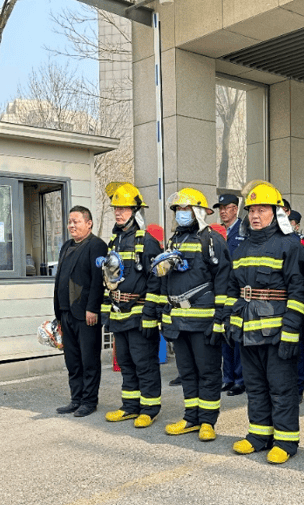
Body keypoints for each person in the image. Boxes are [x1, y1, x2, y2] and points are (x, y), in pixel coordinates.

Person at [226, 183, 304, 464]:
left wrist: (291, 333)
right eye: (251, 211)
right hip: (248, 330)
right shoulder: (242, 247)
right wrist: (230, 323)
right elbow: (233, 289)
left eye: (262, 210)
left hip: (277, 332)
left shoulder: (290, 245)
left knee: (282, 388)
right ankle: (259, 435)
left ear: (275, 212)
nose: (256, 216)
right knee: (255, 385)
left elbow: (299, 293)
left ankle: (285, 440)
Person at [158, 188, 231, 442]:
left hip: (204, 323)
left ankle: (208, 422)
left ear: (198, 212)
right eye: (177, 210)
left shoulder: (212, 240)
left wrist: (220, 320)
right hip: (179, 322)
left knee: (208, 372)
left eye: (185, 209)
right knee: (187, 373)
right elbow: (166, 283)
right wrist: (165, 317)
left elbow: (223, 282)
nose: (180, 214)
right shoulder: (173, 241)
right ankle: (191, 418)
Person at [100, 183, 165, 428]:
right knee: (126, 362)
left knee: (144, 362)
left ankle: (150, 408)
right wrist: (107, 312)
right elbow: (109, 280)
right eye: (116, 208)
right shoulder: (114, 241)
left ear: (135, 210)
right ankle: (130, 406)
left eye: (124, 208)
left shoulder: (147, 241)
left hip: (139, 313)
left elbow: (156, 280)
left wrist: (150, 314)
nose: (118, 212)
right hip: (118, 312)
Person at [52, 206, 108, 417]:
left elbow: (97, 281)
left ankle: (89, 401)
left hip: (86, 315)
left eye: (76, 221)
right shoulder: (66, 246)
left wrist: (93, 308)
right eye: (69, 222)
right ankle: (76, 399)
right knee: (72, 361)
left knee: (89, 360)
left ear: (89, 223)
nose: (71, 225)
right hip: (66, 313)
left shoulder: (97, 246)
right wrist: (58, 313)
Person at [214, 193, 246, 397]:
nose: (223, 211)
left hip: (238, 290)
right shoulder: (218, 233)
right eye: (221, 208)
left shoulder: (244, 231)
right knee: (224, 335)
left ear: (236, 209)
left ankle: (240, 380)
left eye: (227, 208)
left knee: (237, 337)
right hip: (222, 290)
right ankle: (228, 378)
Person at [287, 208, 304, 401]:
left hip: (299, 304)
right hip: (280, 306)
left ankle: (298, 386)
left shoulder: (301, 245)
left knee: (300, 348)